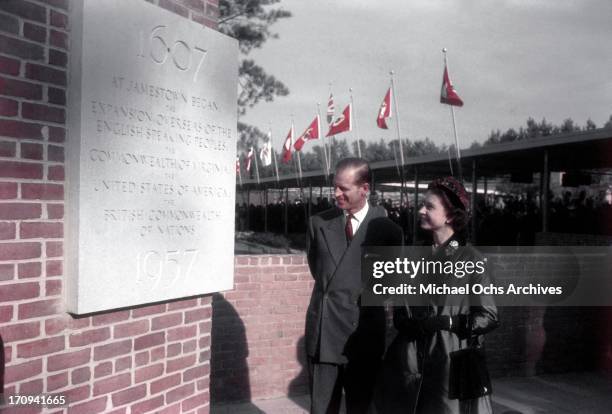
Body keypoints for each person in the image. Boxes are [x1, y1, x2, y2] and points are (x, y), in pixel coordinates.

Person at [383, 176, 499, 414]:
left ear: (450, 216)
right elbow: (401, 308)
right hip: (411, 360)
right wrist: (405, 320)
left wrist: (449, 321)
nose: (421, 210)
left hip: (450, 361)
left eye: (429, 206)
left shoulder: (471, 259)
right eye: (422, 205)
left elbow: (488, 316)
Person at [305, 158, 403, 414]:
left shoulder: (388, 230)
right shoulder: (318, 223)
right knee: (322, 409)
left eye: (344, 188)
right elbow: (318, 271)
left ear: (365, 189)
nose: (336, 194)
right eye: (334, 187)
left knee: (361, 407)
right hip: (324, 333)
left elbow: (389, 285)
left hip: (363, 335)